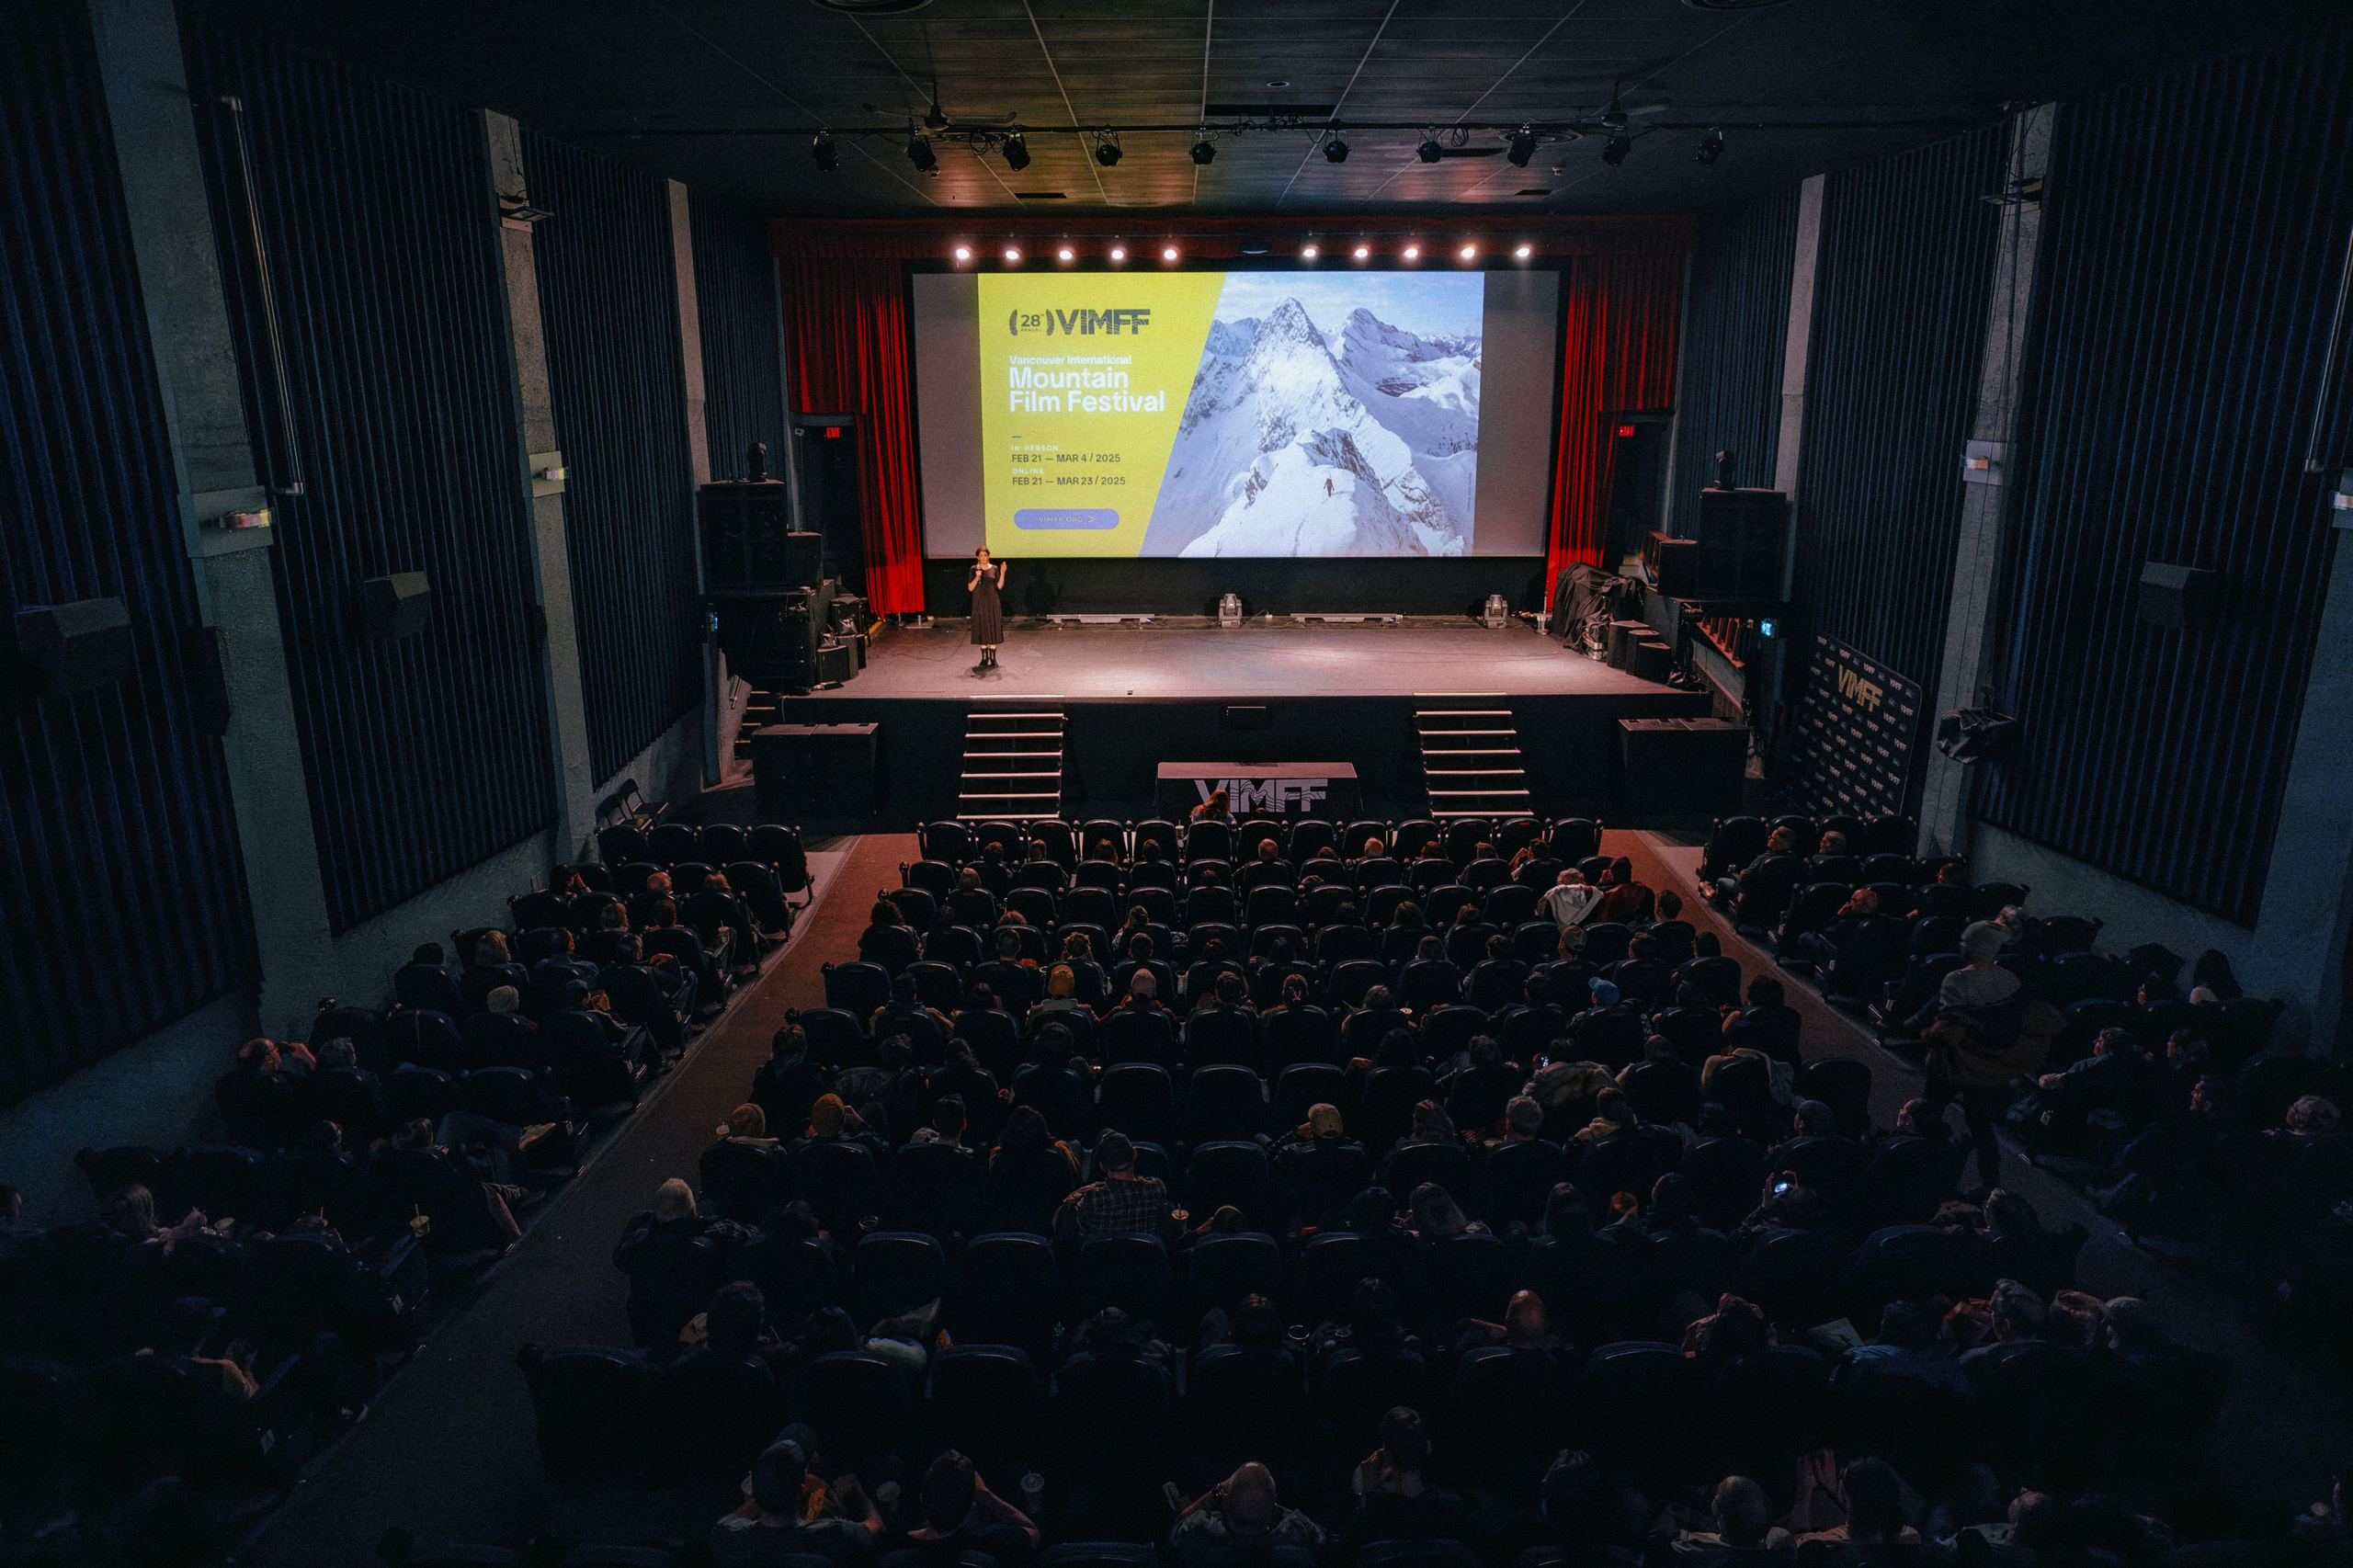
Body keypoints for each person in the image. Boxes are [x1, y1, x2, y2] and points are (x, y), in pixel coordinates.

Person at [1911, 920, 2031, 1194]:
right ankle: (1991, 1183)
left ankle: (1922, 1170)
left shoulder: (1957, 979)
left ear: (1974, 948)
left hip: (1951, 1063)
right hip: (1988, 1067)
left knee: (1930, 1113)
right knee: (1980, 1124)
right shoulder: (2012, 981)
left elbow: (1946, 1025)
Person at [710, 1436, 883, 1566]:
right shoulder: (834, 1533)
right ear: (801, 1490)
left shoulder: (728, 1537)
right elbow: (875, 1528)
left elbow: (724, 1523)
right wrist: (863, 1499)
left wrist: (765, 1490)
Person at [1169, 1461, 1327, 1565]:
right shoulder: (1296, 1531)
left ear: (1225, 1501)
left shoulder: (1201, 1528)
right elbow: (1322, 1538)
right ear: (1273, 1508)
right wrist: (1264, 1501)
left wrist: (1217, 1491)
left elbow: (1176, 1529)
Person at [1351, 1406, 1471, 1542]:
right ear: (1428, 1448)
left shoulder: (1373, 1517)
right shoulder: (1452, 1510)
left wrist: (1368, 1491)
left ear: (1385, 1452)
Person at [901, 1449, 1041, 1562]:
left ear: (921, 1499)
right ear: (971, 1507)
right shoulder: (988, 1544)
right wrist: (985, 1495)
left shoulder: (897, 1551)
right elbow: (1033, 1532)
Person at [1052, 1131, 1176, 1239]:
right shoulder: (1156, 1188)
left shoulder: (1092, 1198)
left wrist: (1077, 1195)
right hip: (1142, 1261)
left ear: (1101, 1166)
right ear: (1134, 1155)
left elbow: (1057, 1222)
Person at [967, 547, 1007, 670]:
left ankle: (993, 658)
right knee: (981, 625)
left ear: (988, 556)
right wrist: (976, 577)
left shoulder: (994, 568)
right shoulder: (974, 569)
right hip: (979, 602)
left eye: (985, 555)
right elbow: (970, 588)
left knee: (992, 625)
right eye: (981, 555)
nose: (983, 557)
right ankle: (984, 658)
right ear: (977, 557)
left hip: (992, 601)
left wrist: (1003, 571)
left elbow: (999, 586)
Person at [1541, 869, 1605, 932]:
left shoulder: (1553, 897)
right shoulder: (1592, 895)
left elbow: (1546, 921)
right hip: (1585, 935)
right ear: (1582, 882)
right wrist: (1601, 882)